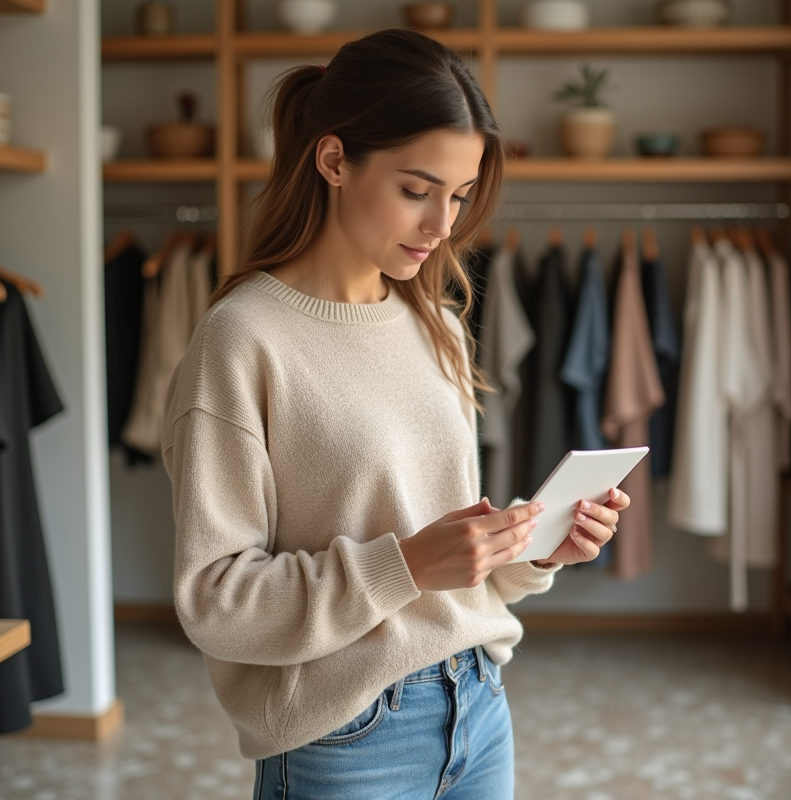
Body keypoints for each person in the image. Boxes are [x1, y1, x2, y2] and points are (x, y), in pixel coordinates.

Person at [161, 28, 631, 800]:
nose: (443, 226)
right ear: (334, 160)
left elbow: (447, 557)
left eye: (460, 195)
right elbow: (215, 601)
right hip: (343, 737)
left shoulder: (437, 323)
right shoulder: (243, 340)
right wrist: (404, 565)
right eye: (417, 190)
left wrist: (538, 547)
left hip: (477, 706)